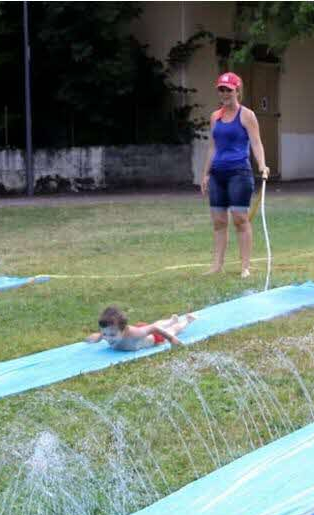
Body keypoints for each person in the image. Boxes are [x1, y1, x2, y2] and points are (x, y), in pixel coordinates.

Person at [200, 72, 270, 278]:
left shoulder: (247, 115)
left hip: (239, 172)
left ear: (237, 91)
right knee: (219, 221)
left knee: (240, 218)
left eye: (228, 89)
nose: (224, 93)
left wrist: (262, 165)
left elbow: (256, 142)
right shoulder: (215, 117)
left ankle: (245, 267)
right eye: (221, 89)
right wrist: (205, 174)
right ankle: (217, 265)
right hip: (217, 175)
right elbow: (212, 147)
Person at [86, 306, 196, 351]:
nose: (108, 338)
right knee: (155, 324)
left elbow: (154, 328)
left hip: (154, 337)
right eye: (105, 334)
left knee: (173, 330)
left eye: (112, 335)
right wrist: (96, 338)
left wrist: (171, 339)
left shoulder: (135, 333)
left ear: (124, 331)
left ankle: (187, 320)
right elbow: (104, 333)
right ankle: (171, 320)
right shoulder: (109, 332)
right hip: (142, 331)